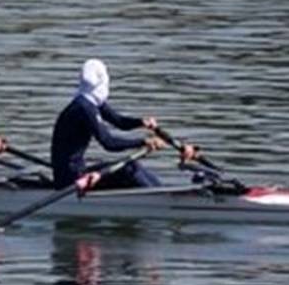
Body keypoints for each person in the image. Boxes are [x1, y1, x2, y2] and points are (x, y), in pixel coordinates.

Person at [50, 59, 194, 190]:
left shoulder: (89, 102)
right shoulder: (84, 108)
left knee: (133, 166)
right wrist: (143, 142)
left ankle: (162, 191)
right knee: (129, 168)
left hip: (74, 171)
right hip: (71, 179)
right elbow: (108, 143)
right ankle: (161, 200)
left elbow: (119, 122)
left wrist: (141, 122)